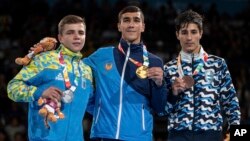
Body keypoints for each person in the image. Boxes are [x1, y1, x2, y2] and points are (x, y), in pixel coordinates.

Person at [83, 5, 167, 141]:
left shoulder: (154, 61)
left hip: (138, 137)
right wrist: (99, 110)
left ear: (143, 26)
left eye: (136, 20)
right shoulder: (101, 56)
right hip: (103, 135)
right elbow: (75, 70)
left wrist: (159, 84)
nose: (131, 25)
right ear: (119, 26)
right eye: (126, 20)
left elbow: (160, 108)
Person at [7, 15, 93, 141]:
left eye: (81, 32)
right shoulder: (44, 60)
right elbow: (12, 87)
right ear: (60, 38)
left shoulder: (86, 70)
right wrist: (39, 92)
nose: (77, 36)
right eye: (70, 32)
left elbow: (92, 103)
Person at [163, 9, 241, 141]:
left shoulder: (218, 64)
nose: (189, 38)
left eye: (193, 32)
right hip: (178, 135)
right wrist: (173, 94)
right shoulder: (169, 68)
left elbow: (231, 102)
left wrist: (236, 135)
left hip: (210, 135)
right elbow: (162, 110)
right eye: (184, 32)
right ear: (177, 35)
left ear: (201, 33)